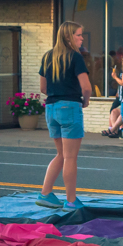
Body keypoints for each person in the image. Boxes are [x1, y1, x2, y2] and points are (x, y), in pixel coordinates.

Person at [35, 21, 92, 210]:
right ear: (68, 37)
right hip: (69, 106)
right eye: (78, 35)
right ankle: (71, 200)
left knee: (61, 154)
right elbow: (86, 87)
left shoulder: (47, 57)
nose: (81, 38)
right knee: (70, 157)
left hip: (51, 108)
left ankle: (45, 193)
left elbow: (43, 88)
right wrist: (85, 100)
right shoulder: (75, 57)